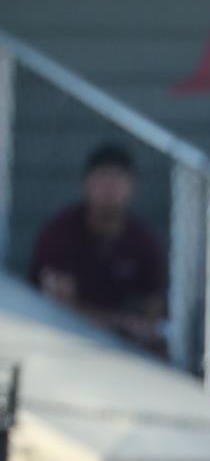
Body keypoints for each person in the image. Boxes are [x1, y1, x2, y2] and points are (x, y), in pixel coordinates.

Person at [28, 142, 168, 357]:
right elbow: (57, 306)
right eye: (102, 178)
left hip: (127, 352)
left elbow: (152, 316)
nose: (109, 189)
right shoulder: (60, 232)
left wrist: (112, 322)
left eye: (117, 179)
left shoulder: (144, 241)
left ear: (132, 187)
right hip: (65, 343)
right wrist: (118, 322)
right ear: (86, 184)